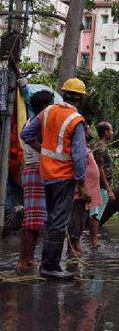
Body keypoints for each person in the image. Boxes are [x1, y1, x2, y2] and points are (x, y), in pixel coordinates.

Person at [21, 78, 89, 280]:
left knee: (52, 220)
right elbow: (78, 154)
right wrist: (82, 183)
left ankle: (47, 264)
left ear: (64, 93)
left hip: (47, 175)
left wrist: (43, 153)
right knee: (59, 221)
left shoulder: (47, 112)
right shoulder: (76, 119)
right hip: (64, 177)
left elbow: (26, 134)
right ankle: (50, 267)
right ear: (81, 98)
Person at [15, 90, 54, 273]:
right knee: (33, 221)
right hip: (36, 171)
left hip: (34, 171)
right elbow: (28, 137)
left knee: (35, 220)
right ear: (46, 107)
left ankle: (28, 259)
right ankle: (24, 260)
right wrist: (46, 151)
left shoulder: (34, 121)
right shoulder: (39, 122)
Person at [68, 135, 102, 257]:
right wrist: (82, 187)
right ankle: (71, 248)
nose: (88, 127)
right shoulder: (78, 147)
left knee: (82, 218)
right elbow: (78, 166)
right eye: (85, 127)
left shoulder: (84, 147)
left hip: (88, 190)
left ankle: (76, 245)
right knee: (76, 218)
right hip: (82, 190)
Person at [90, 121, 115, 248]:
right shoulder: (100, 147)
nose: (112, 132)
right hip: (99, 186)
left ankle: (93, 241)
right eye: (110, 130)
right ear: (105, 132)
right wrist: (108, 188)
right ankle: (94, 242)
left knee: (96, 213)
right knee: (96, 214)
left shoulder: (100, 146)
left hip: (99, 186)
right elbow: (99, 169)